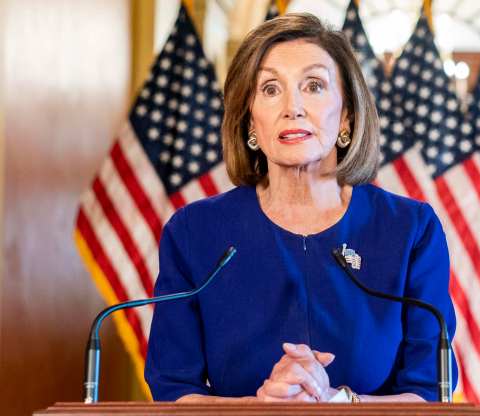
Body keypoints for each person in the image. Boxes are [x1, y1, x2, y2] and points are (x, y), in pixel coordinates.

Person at [143, 13, 458, 404]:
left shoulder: (410, 230)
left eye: (313, 85)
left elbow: (431, 391)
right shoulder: (194, 232)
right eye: (271, 89)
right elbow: (173, 391)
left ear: (347, 115)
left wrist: (338, 403)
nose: (292, 107)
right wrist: (262, 407)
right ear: (249, 122)